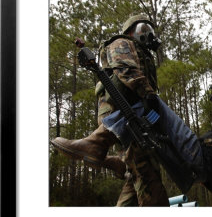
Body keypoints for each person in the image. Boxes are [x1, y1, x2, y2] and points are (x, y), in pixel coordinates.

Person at [51, 14, 169, 206]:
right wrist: (148, 95)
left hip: (132, 116)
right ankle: (96, 145)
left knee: (138, 175)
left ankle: (115, 161)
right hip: (123, 115)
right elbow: (125, 69)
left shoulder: (142, 52)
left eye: (150, 31)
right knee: (148, 175)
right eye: (143, 30)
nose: (148, 35)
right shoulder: (122, 42)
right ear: (131, 32)